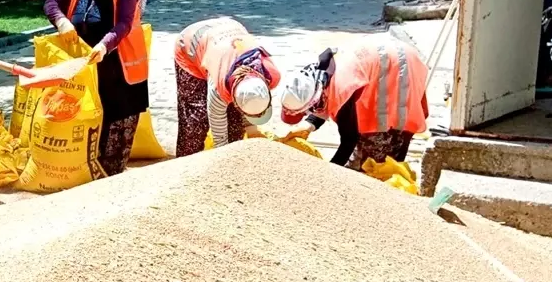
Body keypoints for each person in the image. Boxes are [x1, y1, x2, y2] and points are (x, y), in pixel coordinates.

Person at [44, 0, 149, 176]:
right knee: (90, 128)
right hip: (90, 69)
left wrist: (104, 45)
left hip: (120, 69)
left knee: (115, 132)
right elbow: (51, 3)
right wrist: (61, 22)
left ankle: (112, 182)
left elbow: (123, 24)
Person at [280, 36, 430, 170]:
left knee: (375, 167)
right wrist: (309, 125)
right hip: (397, 54)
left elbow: (348, 141)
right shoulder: (322, 71)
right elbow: (324, 98)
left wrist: (328, 174)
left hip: (398, 70)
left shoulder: (342, 90)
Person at [174, 16, 280, 157]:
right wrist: (223, 159)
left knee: (235, 126)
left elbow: (250, 98)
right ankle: (185, 167)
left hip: (227, 32)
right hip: (191, 44)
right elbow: (220, 139)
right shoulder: (219, 89)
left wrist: (251, 129)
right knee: (196, 121)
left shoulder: (271, 75)